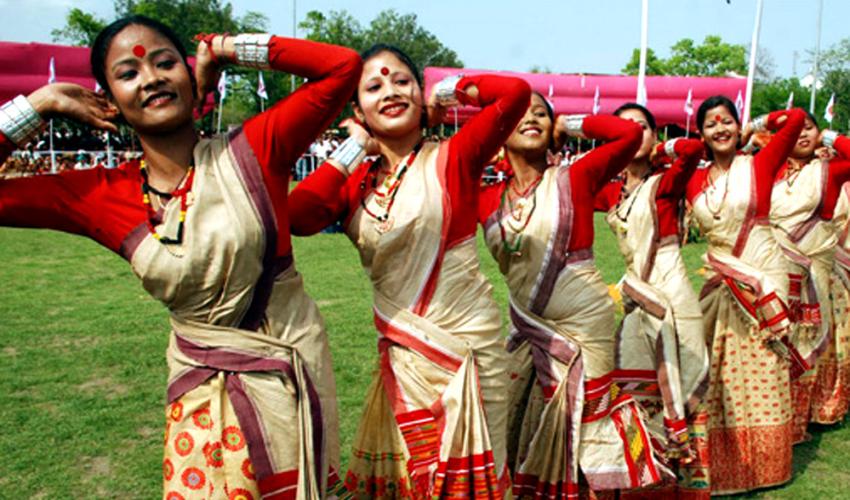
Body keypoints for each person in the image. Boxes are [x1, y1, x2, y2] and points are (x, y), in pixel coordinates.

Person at [0, 15, 361, 499]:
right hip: (198, 405)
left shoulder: (254, 151)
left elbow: (342, 67)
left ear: (192, 80)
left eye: (166, 63)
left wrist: (226, 47)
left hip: (287, 390)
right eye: (128, 73)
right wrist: (40, 105)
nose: (150, 78)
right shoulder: (100, 194)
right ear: (109, 100)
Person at [288, 44, 531, 498]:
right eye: (373, 87)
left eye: (402, 81)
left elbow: (514, 94)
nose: (390, 92)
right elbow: (299, 216)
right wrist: (355, 146)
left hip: (467, 355)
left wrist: (449, 89)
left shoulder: (453, 157)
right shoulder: (355, 185)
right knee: (412, 481)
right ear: (358, 108)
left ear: (420, 95)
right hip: (405, 357)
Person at [478, 92, 666, 497]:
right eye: (518, 113)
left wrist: (571, 121)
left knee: (589, 423)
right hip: (530, 329)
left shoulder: (575, 177)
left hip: (584, 328)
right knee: (526, 413)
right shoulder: (486, 200)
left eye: (541, 113)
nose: (531, 118)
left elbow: (629, 133)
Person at [685, 96, 805, 495]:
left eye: (727, 122)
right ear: (700, 133)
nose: (719, 129)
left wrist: (757, 122)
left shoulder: (759, 164)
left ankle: (767, 465)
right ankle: (722, 457)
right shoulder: (693, 180)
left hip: (763, 275)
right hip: (723, 278)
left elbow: (797, 119)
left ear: (738, 128)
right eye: (710, 124)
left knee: (764, 363)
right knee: (718, 366)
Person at [594, 103, 710, 498]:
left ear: (654, 135)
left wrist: (661, 150)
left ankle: (686, 487)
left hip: (673, 300)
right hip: (637, 300)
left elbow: (693, 150)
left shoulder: (665, 182)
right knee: (638, 393)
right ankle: (643, 484)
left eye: (641, 127)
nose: (633, 133)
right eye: (623, 128)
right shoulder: (610, 189)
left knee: (682, 389)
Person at [775, 120, 850, 433]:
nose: (803, 134)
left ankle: (806, 415)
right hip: (774, 268)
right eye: (796, 129)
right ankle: (776, 413)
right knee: (777, 341)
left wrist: (831, 137)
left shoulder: (828, 171)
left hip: (816, 269)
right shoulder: (767, 170)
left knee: (809, 338)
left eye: (809, 128)